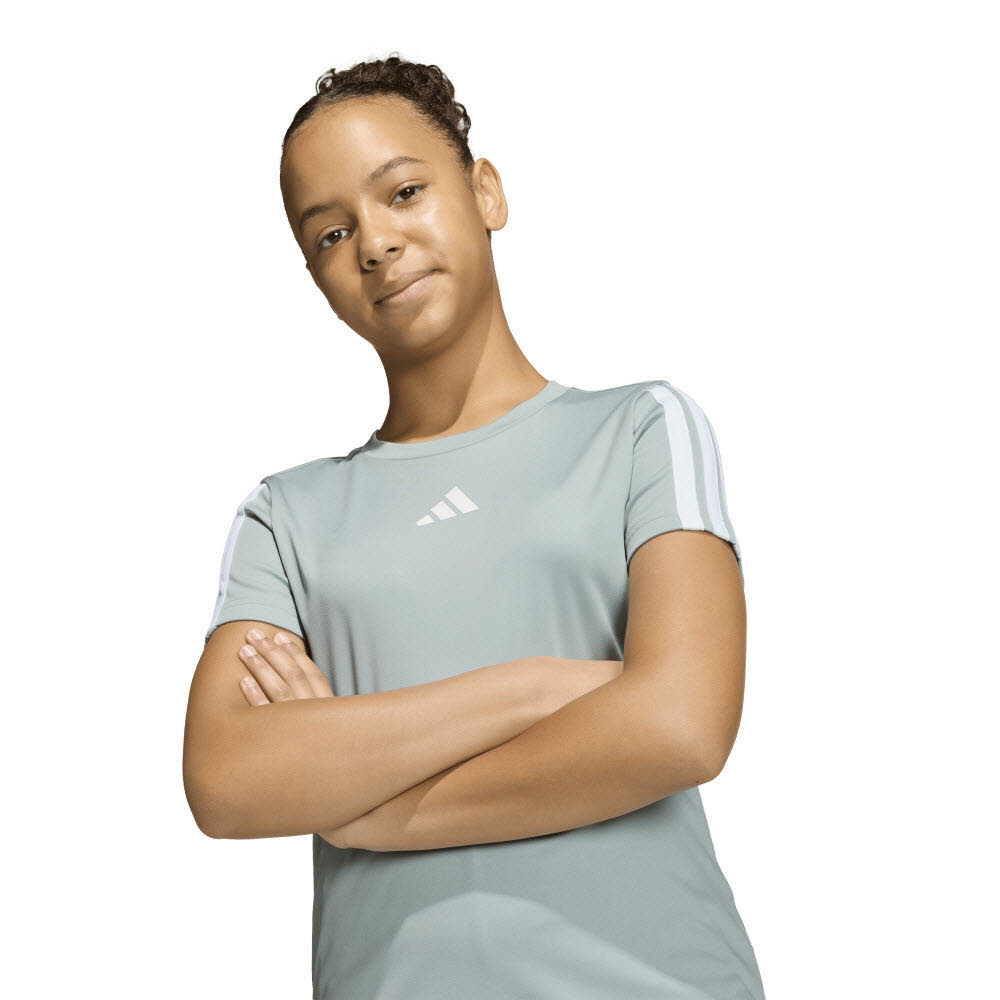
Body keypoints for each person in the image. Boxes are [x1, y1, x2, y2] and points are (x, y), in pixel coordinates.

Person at [182, 54, 766, 1000]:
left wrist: (375, 813)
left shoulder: (640, 429)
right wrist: (537, 687)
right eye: (332, 232)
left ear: (485, 191)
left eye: (404, 192)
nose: (376, 244)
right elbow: (226, 778)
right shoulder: (286, 517)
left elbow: (681, 724)